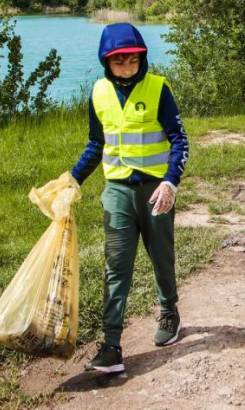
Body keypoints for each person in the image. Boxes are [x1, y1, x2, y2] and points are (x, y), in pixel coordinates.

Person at [71, 23, 190, 373]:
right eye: (118, 62)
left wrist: (171, 182)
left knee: (161, 257)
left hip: (156, 192)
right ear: (106, 62)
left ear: (142, 58)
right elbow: (97, 143)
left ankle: (169, 312)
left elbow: (180, 140)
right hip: (117, 192)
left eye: (132, 61)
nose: (126, 68)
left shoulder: (159, 89)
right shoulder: (98, 92)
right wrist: (73, 179)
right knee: (116, 268)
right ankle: (111, 345)